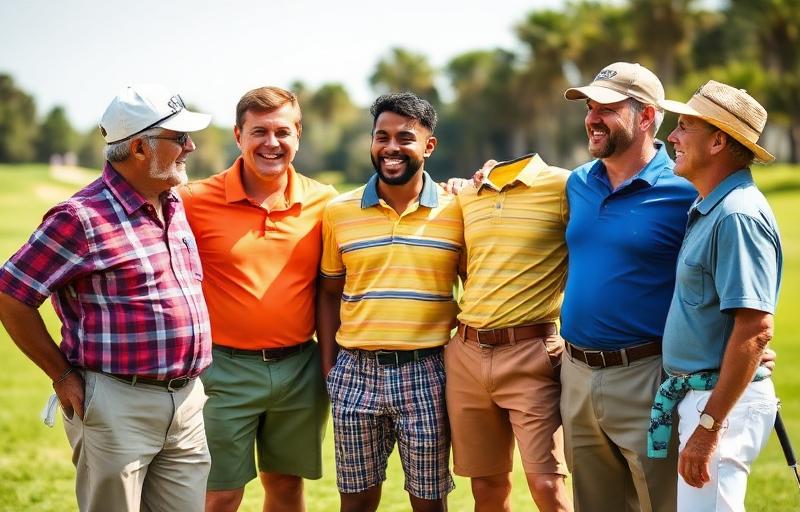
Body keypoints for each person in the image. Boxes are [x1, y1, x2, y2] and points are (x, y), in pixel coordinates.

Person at [0, 84, 213, 512]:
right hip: (117, 404)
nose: (190, 146)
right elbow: (11, 293)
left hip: (187, 402)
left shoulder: (172, 202)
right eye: (179, 137)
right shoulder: (80, 217)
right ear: (139, 147)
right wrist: (61, 375)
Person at [179, 86, 336, 512]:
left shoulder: (326, 202)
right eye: (259, 132)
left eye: (282, 132)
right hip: (221, 371)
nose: (272, 142)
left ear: (298, 135)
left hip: (300, 369)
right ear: (238, 136)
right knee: (219, 493)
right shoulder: (193, 201)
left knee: (286, 486)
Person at [559, 62, 698, 512]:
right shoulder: (578, 182)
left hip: (648, 376)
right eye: (589, 108)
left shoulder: (686, 190)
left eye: (607, 109)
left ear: (646, 116)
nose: (592, 118)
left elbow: (717, 275)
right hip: (575, 374)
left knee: (662, 503)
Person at [317, 92, 463, 512]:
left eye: (405, 138)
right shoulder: (339, 211)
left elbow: (474, 285)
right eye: (382, 137)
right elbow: (328, 293)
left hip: (428, 372)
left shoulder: (457, 210)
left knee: (428, 501)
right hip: (354, 372)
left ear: (429, 146)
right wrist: (330, 370)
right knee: (356, 501)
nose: (391, 148)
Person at [651, 81, 781, 511]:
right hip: (710, 401)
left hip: (719, 407)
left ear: (718, 142)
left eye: (684, 126)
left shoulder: (736, 215)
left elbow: (755, 328)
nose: (672, 136)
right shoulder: (713, 206)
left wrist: (709, 426)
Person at [445, 153, 573, 512]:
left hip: (531, 352)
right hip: (467, 354)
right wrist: (456, 185)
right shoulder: (466, 195)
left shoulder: (563, 185)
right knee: (487, 487)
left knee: (547, 483)